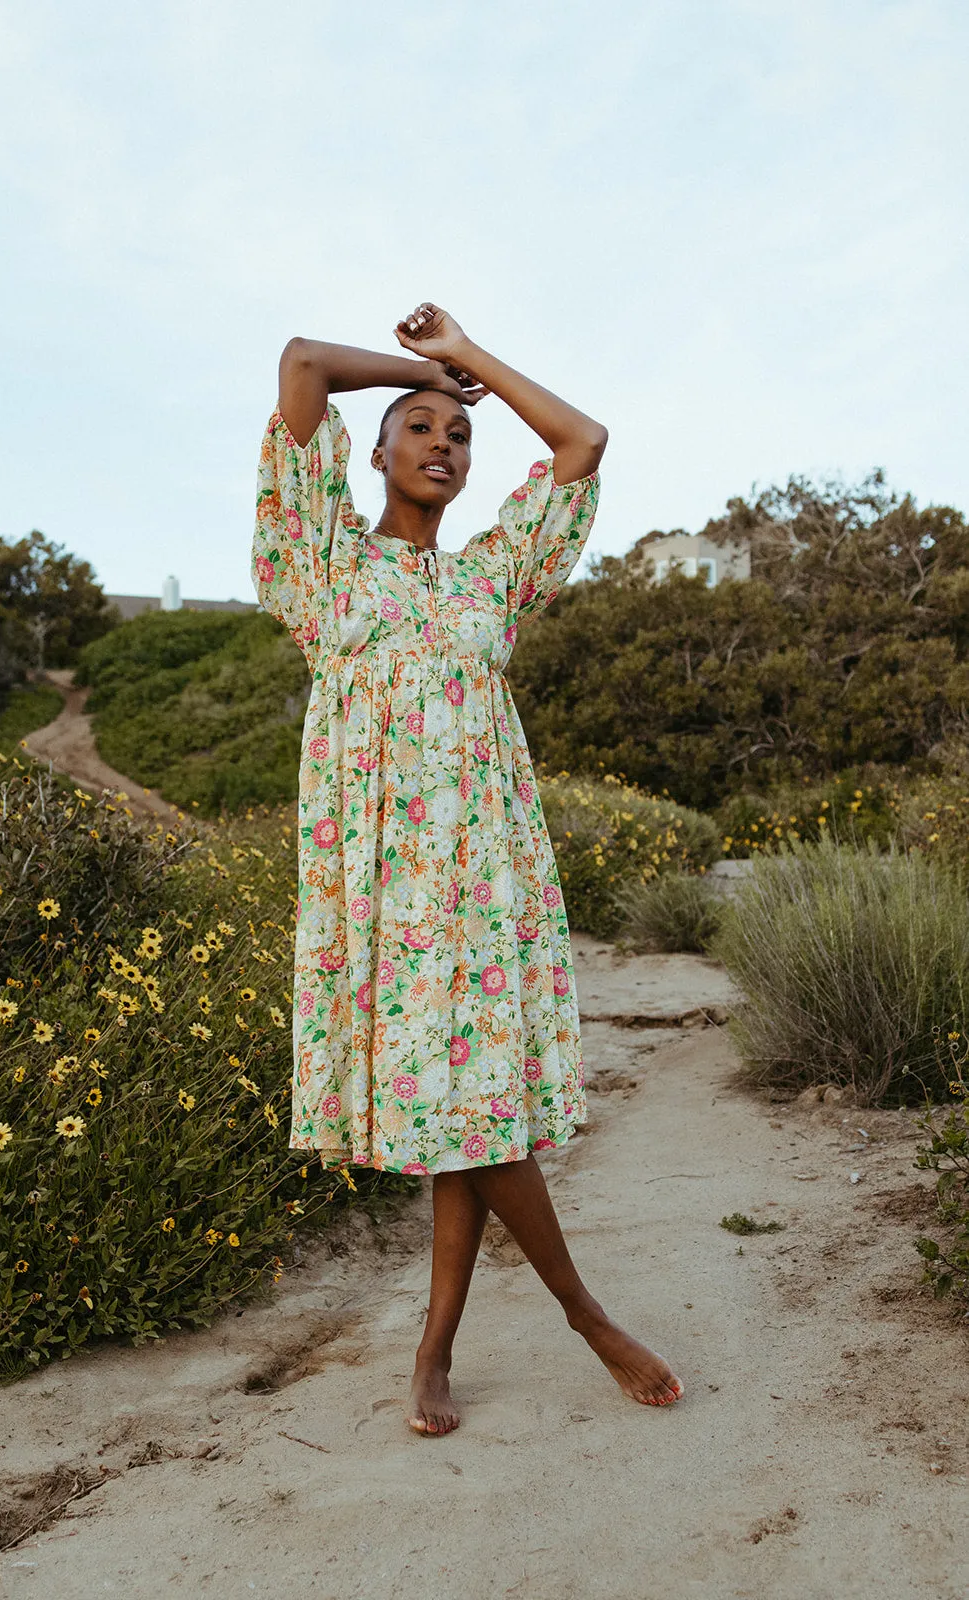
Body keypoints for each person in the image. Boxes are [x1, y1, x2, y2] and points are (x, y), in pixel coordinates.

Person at [253, 303, 684, 1435]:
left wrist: (474, 363)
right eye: (422, 428)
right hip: (382, 892)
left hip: (485, 885)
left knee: (472, 1117)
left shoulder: (490, 580)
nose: (445, 442)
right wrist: (418, 364)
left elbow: (582, 442)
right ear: (377, 450)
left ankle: (436, 1355)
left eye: (461, 434)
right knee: (472, 1120)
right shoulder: (323, 565)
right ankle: (582, 1314)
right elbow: (301, 362)